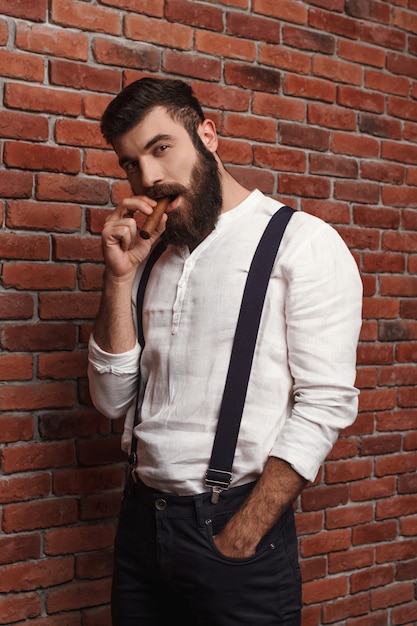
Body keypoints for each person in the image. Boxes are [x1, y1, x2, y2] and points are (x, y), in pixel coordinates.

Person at [88, 77, 363, 626]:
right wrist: (119, 280)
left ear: (207, 135)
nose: (150, 178)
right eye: (130, 163)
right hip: (142, 525)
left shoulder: (301, 241)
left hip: (234, 532)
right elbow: (112, 401)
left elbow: (325, 404)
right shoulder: (152, 257)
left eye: (161, 148)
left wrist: (244, 533)